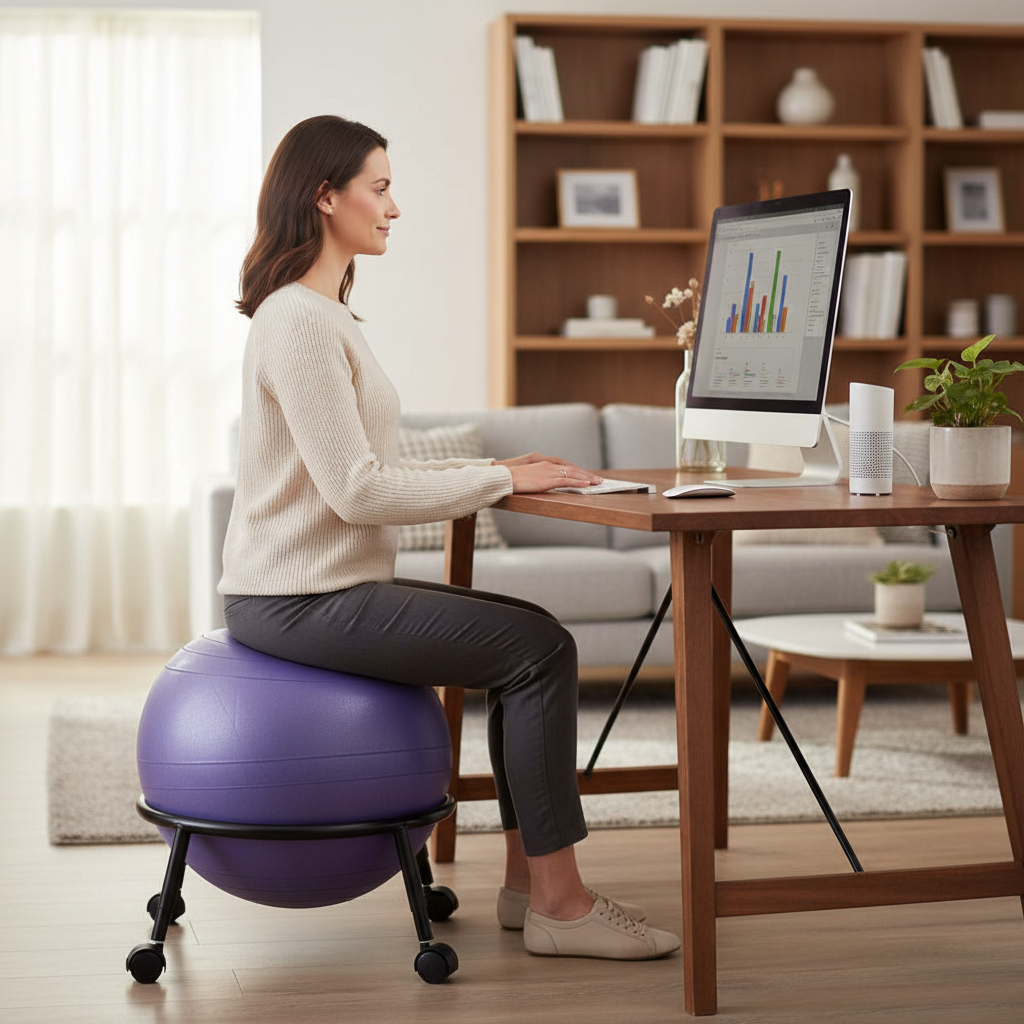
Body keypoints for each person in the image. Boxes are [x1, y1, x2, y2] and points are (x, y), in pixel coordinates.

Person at [219, 114, 680, 961]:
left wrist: (499, 465)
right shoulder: (298, 320)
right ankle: (558, 902)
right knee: (537, 649)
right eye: (381, 187)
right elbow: (357, 491)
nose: (395, 207)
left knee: (528, 641)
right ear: (326, 198)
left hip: (316, 591)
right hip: (296, 600)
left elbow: (360, 473)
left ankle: (529, 890)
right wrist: (503, 478)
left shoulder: (326, 315)